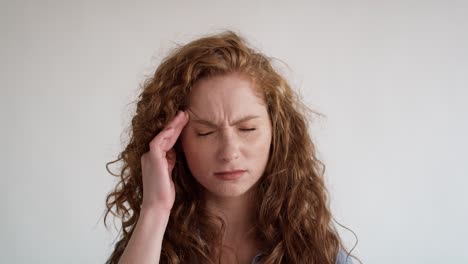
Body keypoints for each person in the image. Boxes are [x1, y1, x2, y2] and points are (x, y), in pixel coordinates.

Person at [104, 30, 357, 264]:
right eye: (205, 132)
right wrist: (155, 208)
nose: (229, 152)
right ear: (175, 141)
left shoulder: (317, 250)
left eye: (247, 129)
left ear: (277, 133)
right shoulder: (146, 244)